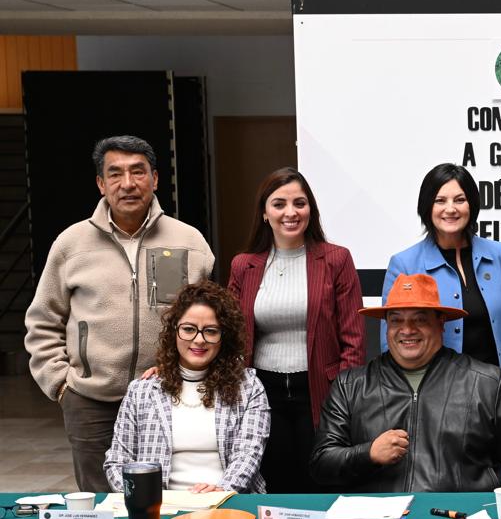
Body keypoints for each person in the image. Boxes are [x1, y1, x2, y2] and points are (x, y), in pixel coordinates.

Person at [25, 135, 214, 493]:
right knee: (101, 504)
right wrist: (62, 385)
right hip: (90, 402)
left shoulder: (190, 242)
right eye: (115, 173)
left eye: (138, 172)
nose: (127, 183)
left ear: (155, 179)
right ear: (101, 183)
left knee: (164, 496)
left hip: (167, 397)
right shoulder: (71, 244)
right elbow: (43, 320)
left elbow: (210, 320)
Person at [311, 273, 501, 492]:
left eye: (419, 319)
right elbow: (321, 465)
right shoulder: (350, 386)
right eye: (396, 320)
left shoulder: (487, 384)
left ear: (441, 322)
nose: (407, 330)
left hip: (463, 518)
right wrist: (368, 454)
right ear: (386, 325)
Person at [227, 168, 364, 493]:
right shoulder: (243, 265)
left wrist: (344, 395)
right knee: (273, 482)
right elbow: (228, 335)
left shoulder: (336, 260)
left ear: (310, 209)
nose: (290, 212)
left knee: (320, 481)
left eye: (299, 203)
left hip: (321, 390)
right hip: (261, 391)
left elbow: (354, 340)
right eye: (279, 204)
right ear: (264, 213)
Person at [104, 281, 268, 494]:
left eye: (211, 331)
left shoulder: (248, 388)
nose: (199, 340)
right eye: (189, 329)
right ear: (174, 331)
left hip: (227, 501)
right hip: (160, 504)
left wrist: (222, 490)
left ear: (224, 336)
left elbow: (248, 455)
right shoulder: (142, 391)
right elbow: (117, 462)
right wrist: (143, 496)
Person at [382, 163, 501, 371]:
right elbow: (390, 341)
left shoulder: (498, 253)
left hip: (495, 384)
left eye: (460, 200)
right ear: (427, 206)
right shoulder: (404, 264)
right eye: (440, 201)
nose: (451, 209)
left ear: (471, 204)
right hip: (433, 386)